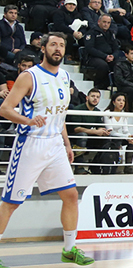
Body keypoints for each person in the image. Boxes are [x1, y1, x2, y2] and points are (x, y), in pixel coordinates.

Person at [0, 33, 95, 265]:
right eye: (53, 44)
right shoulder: (29, 76)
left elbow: (59, 115)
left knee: (71, 195)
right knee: (11, 203)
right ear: (44, 48)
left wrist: (67, 144)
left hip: (54, 144)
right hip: (31, 144)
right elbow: (5, 109)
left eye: (62, 45)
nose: (58, 49)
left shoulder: (64, 76)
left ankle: (69, 250)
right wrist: (27, 120)